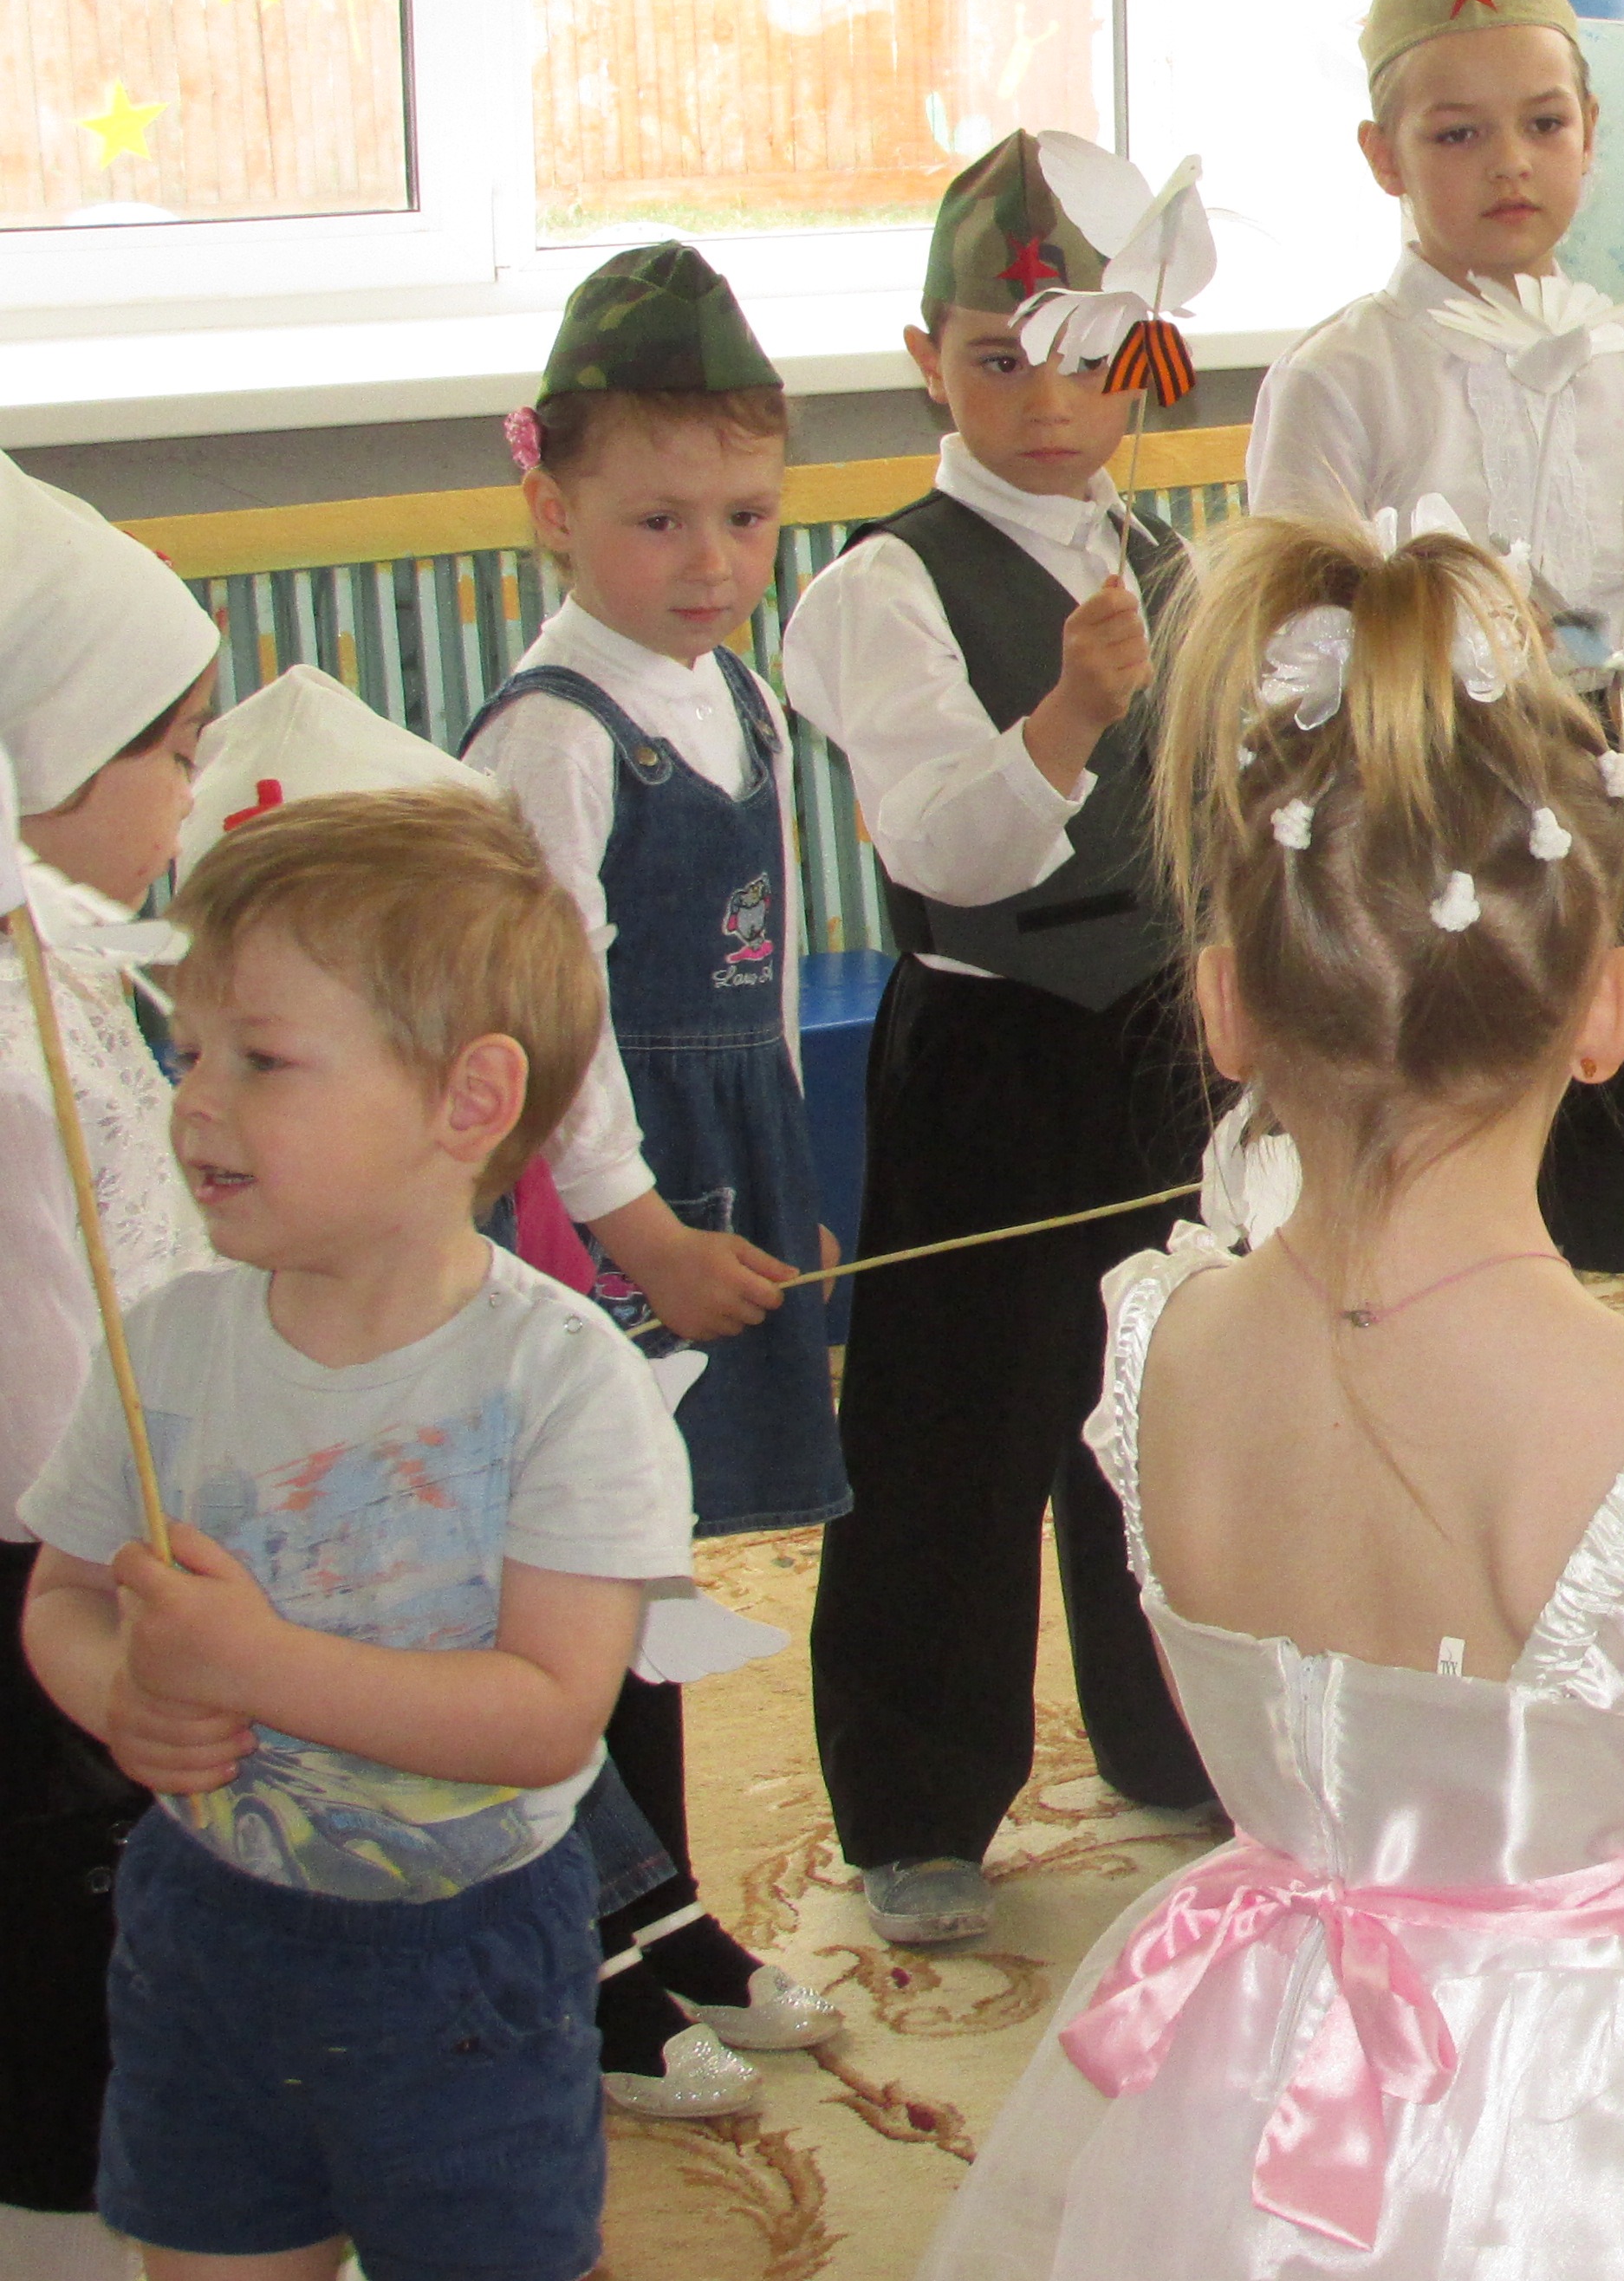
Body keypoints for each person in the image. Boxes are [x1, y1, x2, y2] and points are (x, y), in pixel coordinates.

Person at [919, 508, 1624, 2278]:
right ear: (1609, 1011)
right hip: (1591, 2150)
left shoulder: (1159, 1346)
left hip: (1242, 2088)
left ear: (1223, 1007)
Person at [19, 787, 698, 2281]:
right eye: (188, 1050)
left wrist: (253, 1664)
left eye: (261, 1059)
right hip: (202, 1935)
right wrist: (121, 1693)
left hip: (461, 1967)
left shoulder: (558, 1379)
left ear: (468, 1101)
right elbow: (62, 1595)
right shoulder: (164, 1346)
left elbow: (546, 1715)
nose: (196, 1101)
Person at [784, 132, 1217, 1955]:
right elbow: (942, 844)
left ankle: (1170, 1730)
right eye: (995, 358)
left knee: (1166, 1399)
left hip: (1167, 1046)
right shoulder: (879, 589)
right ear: (925, 359)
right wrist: (1065, 714)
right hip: (988, 1047)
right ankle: (916, 1801)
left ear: (1142, 359)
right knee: (952, 1426)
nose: (1047, 403)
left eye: (1087, 357)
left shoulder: (1167, 554)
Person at [1248, 0, 1624, 1278]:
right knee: (1426, 1197)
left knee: (1597, 1217)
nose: (1509, 162)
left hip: (1600, 828)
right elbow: (1285, 678)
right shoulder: (1341, 380)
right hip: (1405, 832)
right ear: (1383, 157)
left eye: (1541, 122)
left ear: (1590, 134)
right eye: (1457, 134)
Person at [461, 241, 841, 2114]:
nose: (711, 561)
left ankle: (666, 1905)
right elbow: (554, 1020)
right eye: (659, 521)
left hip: (717, 1176)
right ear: (553, 506)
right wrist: (641, 1228)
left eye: (747, 518)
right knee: (580, 1579)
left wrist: (782, 1180)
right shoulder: (556, 731)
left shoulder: (736, 695)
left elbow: (760, 988)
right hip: (594, 1210)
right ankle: (589, 1963)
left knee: (652, 1571)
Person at [0, 455, 217, 2281]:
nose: (191, 797)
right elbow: (67, 1350)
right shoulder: (23, 1043)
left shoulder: (61, 974)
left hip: (74, 1540)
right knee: (61, 1963)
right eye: (174, 754)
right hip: (54, 1561)